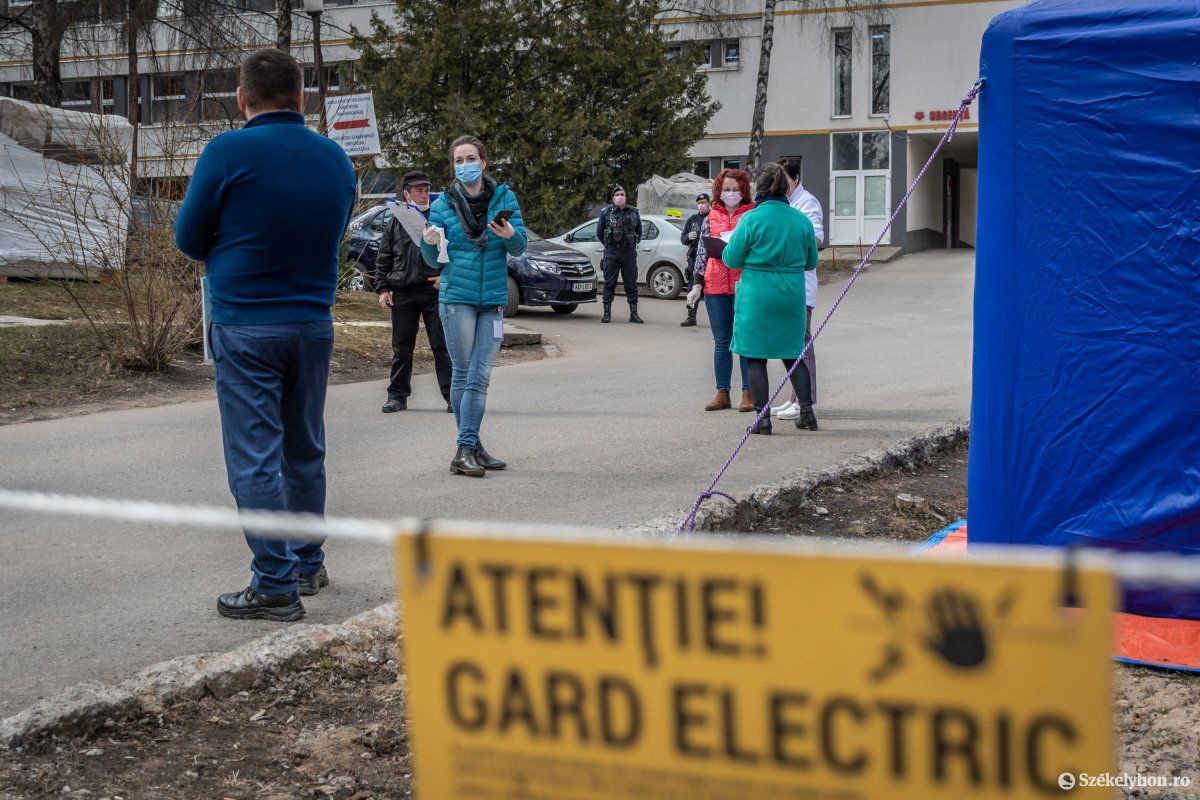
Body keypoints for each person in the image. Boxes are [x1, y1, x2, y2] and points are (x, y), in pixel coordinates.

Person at [174, 49, 356, 621]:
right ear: (302, 98)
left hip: (246, 322)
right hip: (312, 322)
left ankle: (274, 585)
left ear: (241, 97)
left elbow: (189, 236)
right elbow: (332, 228)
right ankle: (307, 562)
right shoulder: (336, 159)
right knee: (305, 448)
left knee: (254, 456)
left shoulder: (227, 151)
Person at [419, 135, 526, 477]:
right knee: (465, 374)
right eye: (458, 160)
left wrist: (510, 234)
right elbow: (433, 262)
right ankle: (464, 449)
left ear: (483, 162)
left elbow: (520, 247)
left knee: (481, 378)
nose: (464, 164)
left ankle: (472, 445)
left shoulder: (503, 196)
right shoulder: (442, 205)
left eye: (470, 158)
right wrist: (428, 244)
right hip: (457, 299)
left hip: (492, 299)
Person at [723, 162, 819, 434]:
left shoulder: (750, 219)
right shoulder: (800, 219)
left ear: (760, 189)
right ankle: (807, 412)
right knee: (793, 354)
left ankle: (762, 419)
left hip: (757, 294)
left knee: (755, 356)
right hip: (791, 293)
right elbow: (811, 261)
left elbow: (731, 259)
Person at [373, 170, 454, 414]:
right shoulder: (395, 222)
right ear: (407, 193)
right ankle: (397, 396)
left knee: (441, 346)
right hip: (403, 292)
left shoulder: (439, 219)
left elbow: (453, 253)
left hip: (433, 291)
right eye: (418, 190)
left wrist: (445, 277)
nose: (423, 194)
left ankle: (452, 398)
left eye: (426, 189)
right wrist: (383, 288)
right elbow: (384, 257)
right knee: (401, 348)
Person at [685, 168, 754, 412]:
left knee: (744, 340)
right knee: (721, 341)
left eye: (735, 189)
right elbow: (702, 252)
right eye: (726, 189)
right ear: (719, 191)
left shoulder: (752, 214)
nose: (731, 193)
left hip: (744, 283)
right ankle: (722, 392)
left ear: (743, 190)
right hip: (715, 283)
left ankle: (749, 393)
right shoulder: (711, 216)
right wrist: (696, 283)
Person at [770, 158, 824, 427]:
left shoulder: (807, 203)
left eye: (785, 179)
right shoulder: (786, 202)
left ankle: (808, 400)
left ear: (796, 178)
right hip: (786, 285)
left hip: (801, 285)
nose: (781, 184)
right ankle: (795, 398)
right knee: (792, 344)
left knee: (803, 344)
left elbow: (817, 240)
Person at [596, 185, 643, 324]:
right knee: (609, 283)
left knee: (631, 284)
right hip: (612, 253)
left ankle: (634, 314)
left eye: (622, 194)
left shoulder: (633, 212)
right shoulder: (606, 212)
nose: (620, 197)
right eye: (617, 195)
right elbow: (599, 233)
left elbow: (639, 231)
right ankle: (606, 314)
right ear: (613, 198)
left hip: (629, 253)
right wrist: (609, 246)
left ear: (626, 197)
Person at [679, 192, 709, 327]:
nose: (701, 205)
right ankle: (691, 317)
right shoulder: (692, 220)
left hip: (710, 257)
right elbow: (682, 238)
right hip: (693, 257)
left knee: (711, 290)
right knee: (692, 287)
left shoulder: (713, 218)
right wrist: (687, 237)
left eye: (703, 203)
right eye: (699, 203)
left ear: (709, 204)